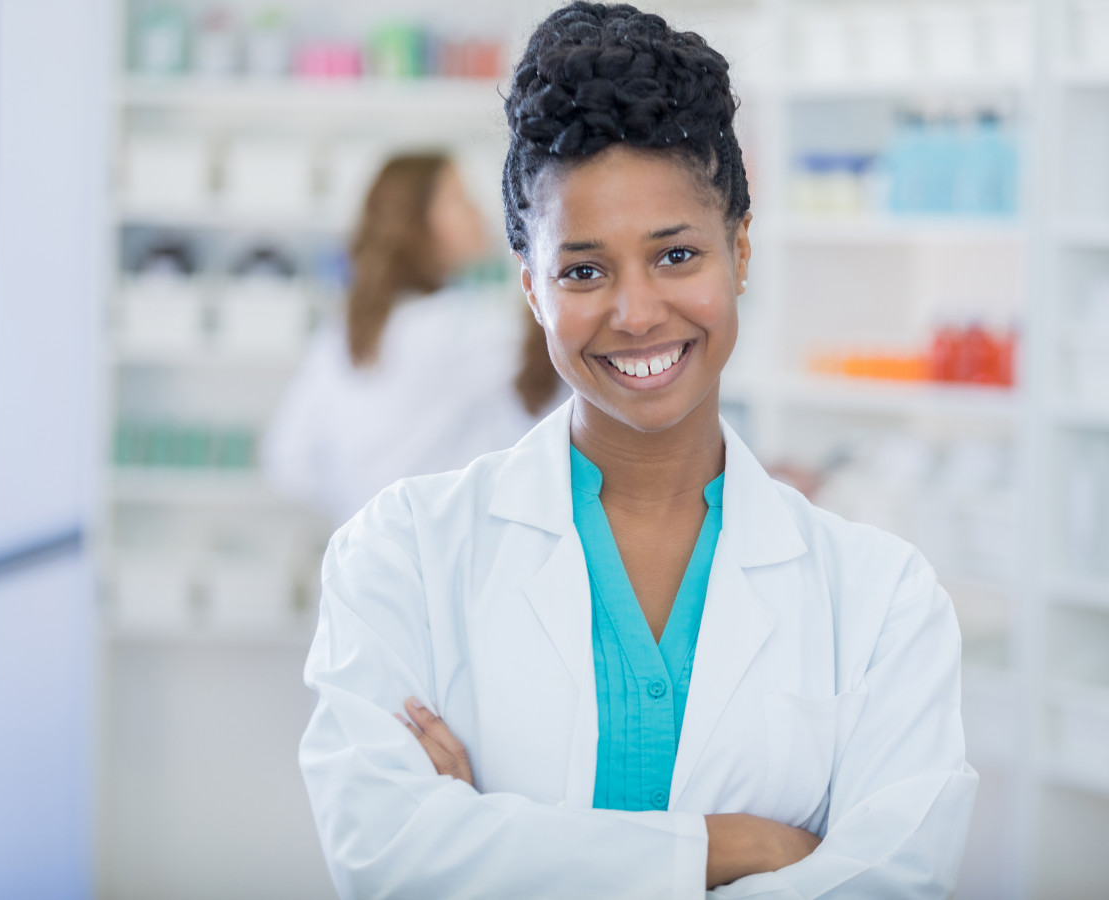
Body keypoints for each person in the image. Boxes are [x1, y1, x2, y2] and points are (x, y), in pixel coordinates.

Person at [298, 4, 978, 898]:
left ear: (739, 250)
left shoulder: (882, 602)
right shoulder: (402, 555)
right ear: (532, 288)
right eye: (583, 270)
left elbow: (896, 881)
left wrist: (501, 845)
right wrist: (729, 848)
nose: (637, 312)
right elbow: (385, 858)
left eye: (677, 254)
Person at [262, 152, 562, 525]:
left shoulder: (346, 328)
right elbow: (558, 342)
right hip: (440, 555)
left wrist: (363, 507)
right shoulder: (451, 328)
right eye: (459, 199)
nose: (478, 212)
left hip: (367, 557)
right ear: (415, 222)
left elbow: (288, 461)